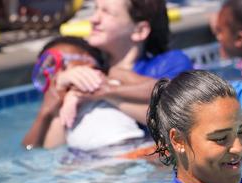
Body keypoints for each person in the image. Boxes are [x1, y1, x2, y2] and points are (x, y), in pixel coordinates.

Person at [56, 0, 192, 125]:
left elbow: (176, 119)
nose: (93, 19)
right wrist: (60, 85)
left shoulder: (172, 63)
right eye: (96, 9)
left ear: (140, 30)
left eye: (106, 12)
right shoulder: (82, 64)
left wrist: (105, 91)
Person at [21, 36, 146, 152]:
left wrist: (103, 91)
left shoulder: (112, 76)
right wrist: (48, 111)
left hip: (131, 148)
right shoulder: (61, 109)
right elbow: (51, 151)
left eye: (62, 65)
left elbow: (159, 91)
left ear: (88, 62)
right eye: (48, 73)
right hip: (91, 161)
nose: (57, 75)